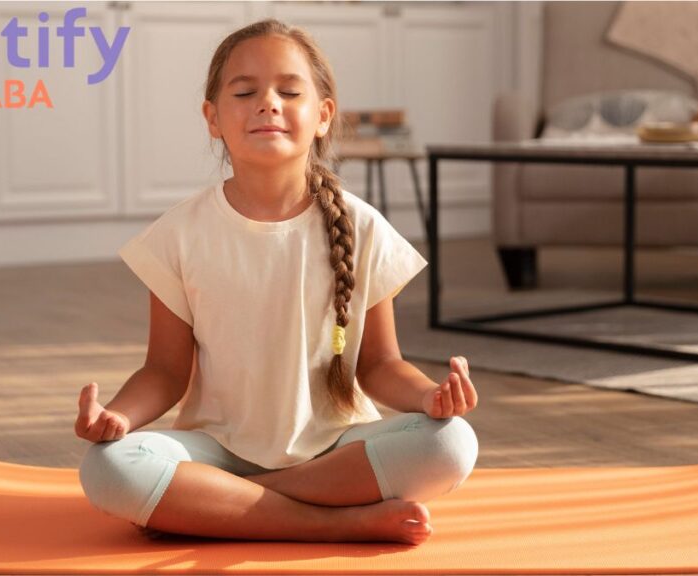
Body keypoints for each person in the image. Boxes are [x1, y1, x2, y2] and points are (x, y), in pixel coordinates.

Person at [76, 18, 478, 546]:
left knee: (451, 444)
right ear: (213, 118)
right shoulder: (178, 233)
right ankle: (334, 521)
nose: (268, 103)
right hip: (216, 449)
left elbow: (378, 365)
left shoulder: (362, 227)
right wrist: (117, 418)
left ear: (322, 116)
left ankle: (225, 502)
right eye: (245, 91)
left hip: (337, 449)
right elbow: (165, 371)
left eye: (289, 91)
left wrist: (430, 398)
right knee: (108, 467)